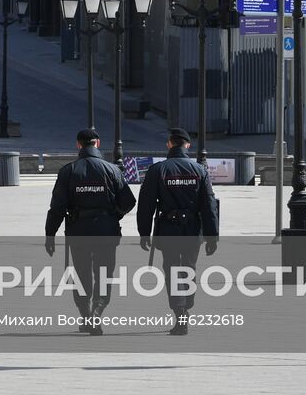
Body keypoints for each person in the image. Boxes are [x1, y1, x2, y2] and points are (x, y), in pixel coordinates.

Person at [44, 128, 136, 335]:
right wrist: (114, 215)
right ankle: (97, 312)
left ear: (78, 145)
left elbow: (57, 207)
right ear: (98, 143)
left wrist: (50, 234)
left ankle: (86, 316)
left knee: (81, 274)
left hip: (79, 231)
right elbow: (129, 201)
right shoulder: (112, 170)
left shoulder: (68, 171)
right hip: (106, 230)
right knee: (104, 274)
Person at [137, 128, 220, 335]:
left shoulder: (158, 170)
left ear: (169, 144)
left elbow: (145, 205)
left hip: (168, 229)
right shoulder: (199, 170)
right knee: (189, 270)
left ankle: (180, 311)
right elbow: (209, 205)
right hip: (193, 229)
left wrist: (144, 232)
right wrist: (212, 236)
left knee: (172, 271)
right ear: (187, 145)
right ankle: (187, 303)